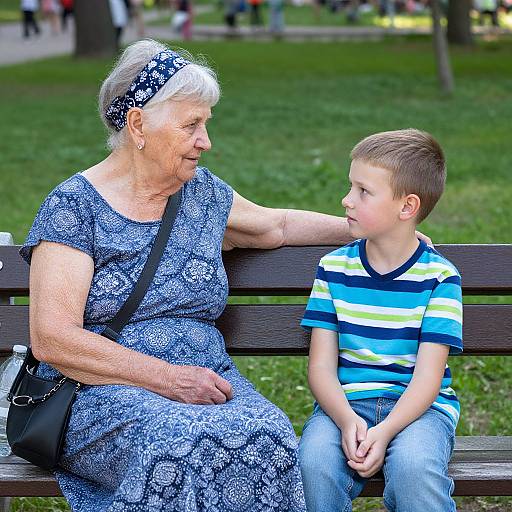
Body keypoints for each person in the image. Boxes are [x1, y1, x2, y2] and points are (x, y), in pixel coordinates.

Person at [20, 39, 360, 511]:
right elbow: (54, 339)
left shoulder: (200, 193)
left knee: (269, 437)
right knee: (179, 447)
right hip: (102, 390)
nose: (205, 141)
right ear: (138, 123)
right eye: (191, 125)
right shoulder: (74, 208)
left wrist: (367, 230)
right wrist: (169, 380)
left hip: (208, 380)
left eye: (206, 124)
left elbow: (275, 225)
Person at [299, 129, 462, 511]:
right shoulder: (333, 269)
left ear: (406, 208)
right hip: (344, 404)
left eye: (362, 191)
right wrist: (345, 420)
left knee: (414, 468)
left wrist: (386, 431)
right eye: (350, 187)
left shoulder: (439, 279)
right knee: (315, 464)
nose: (346, 200)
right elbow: (321, 367)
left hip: (420, 410)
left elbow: (427, 378)